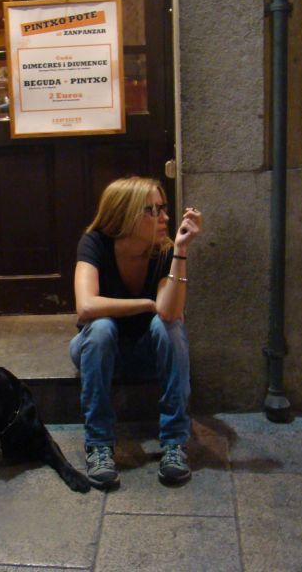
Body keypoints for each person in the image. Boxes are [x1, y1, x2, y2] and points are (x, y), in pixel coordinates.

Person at [70, 176, 202, 490]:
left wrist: (181, 251)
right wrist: (145, 303)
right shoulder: (95, 243)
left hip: (146, 352)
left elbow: (169, 312)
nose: (165, 217)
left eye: (163, 208)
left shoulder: (165, 251)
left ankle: (174, 442)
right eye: (152, 210)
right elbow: (86, 307)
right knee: (101, 328)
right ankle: (99, 444)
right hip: (99, 350)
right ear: (128, 215)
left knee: (167, 326)